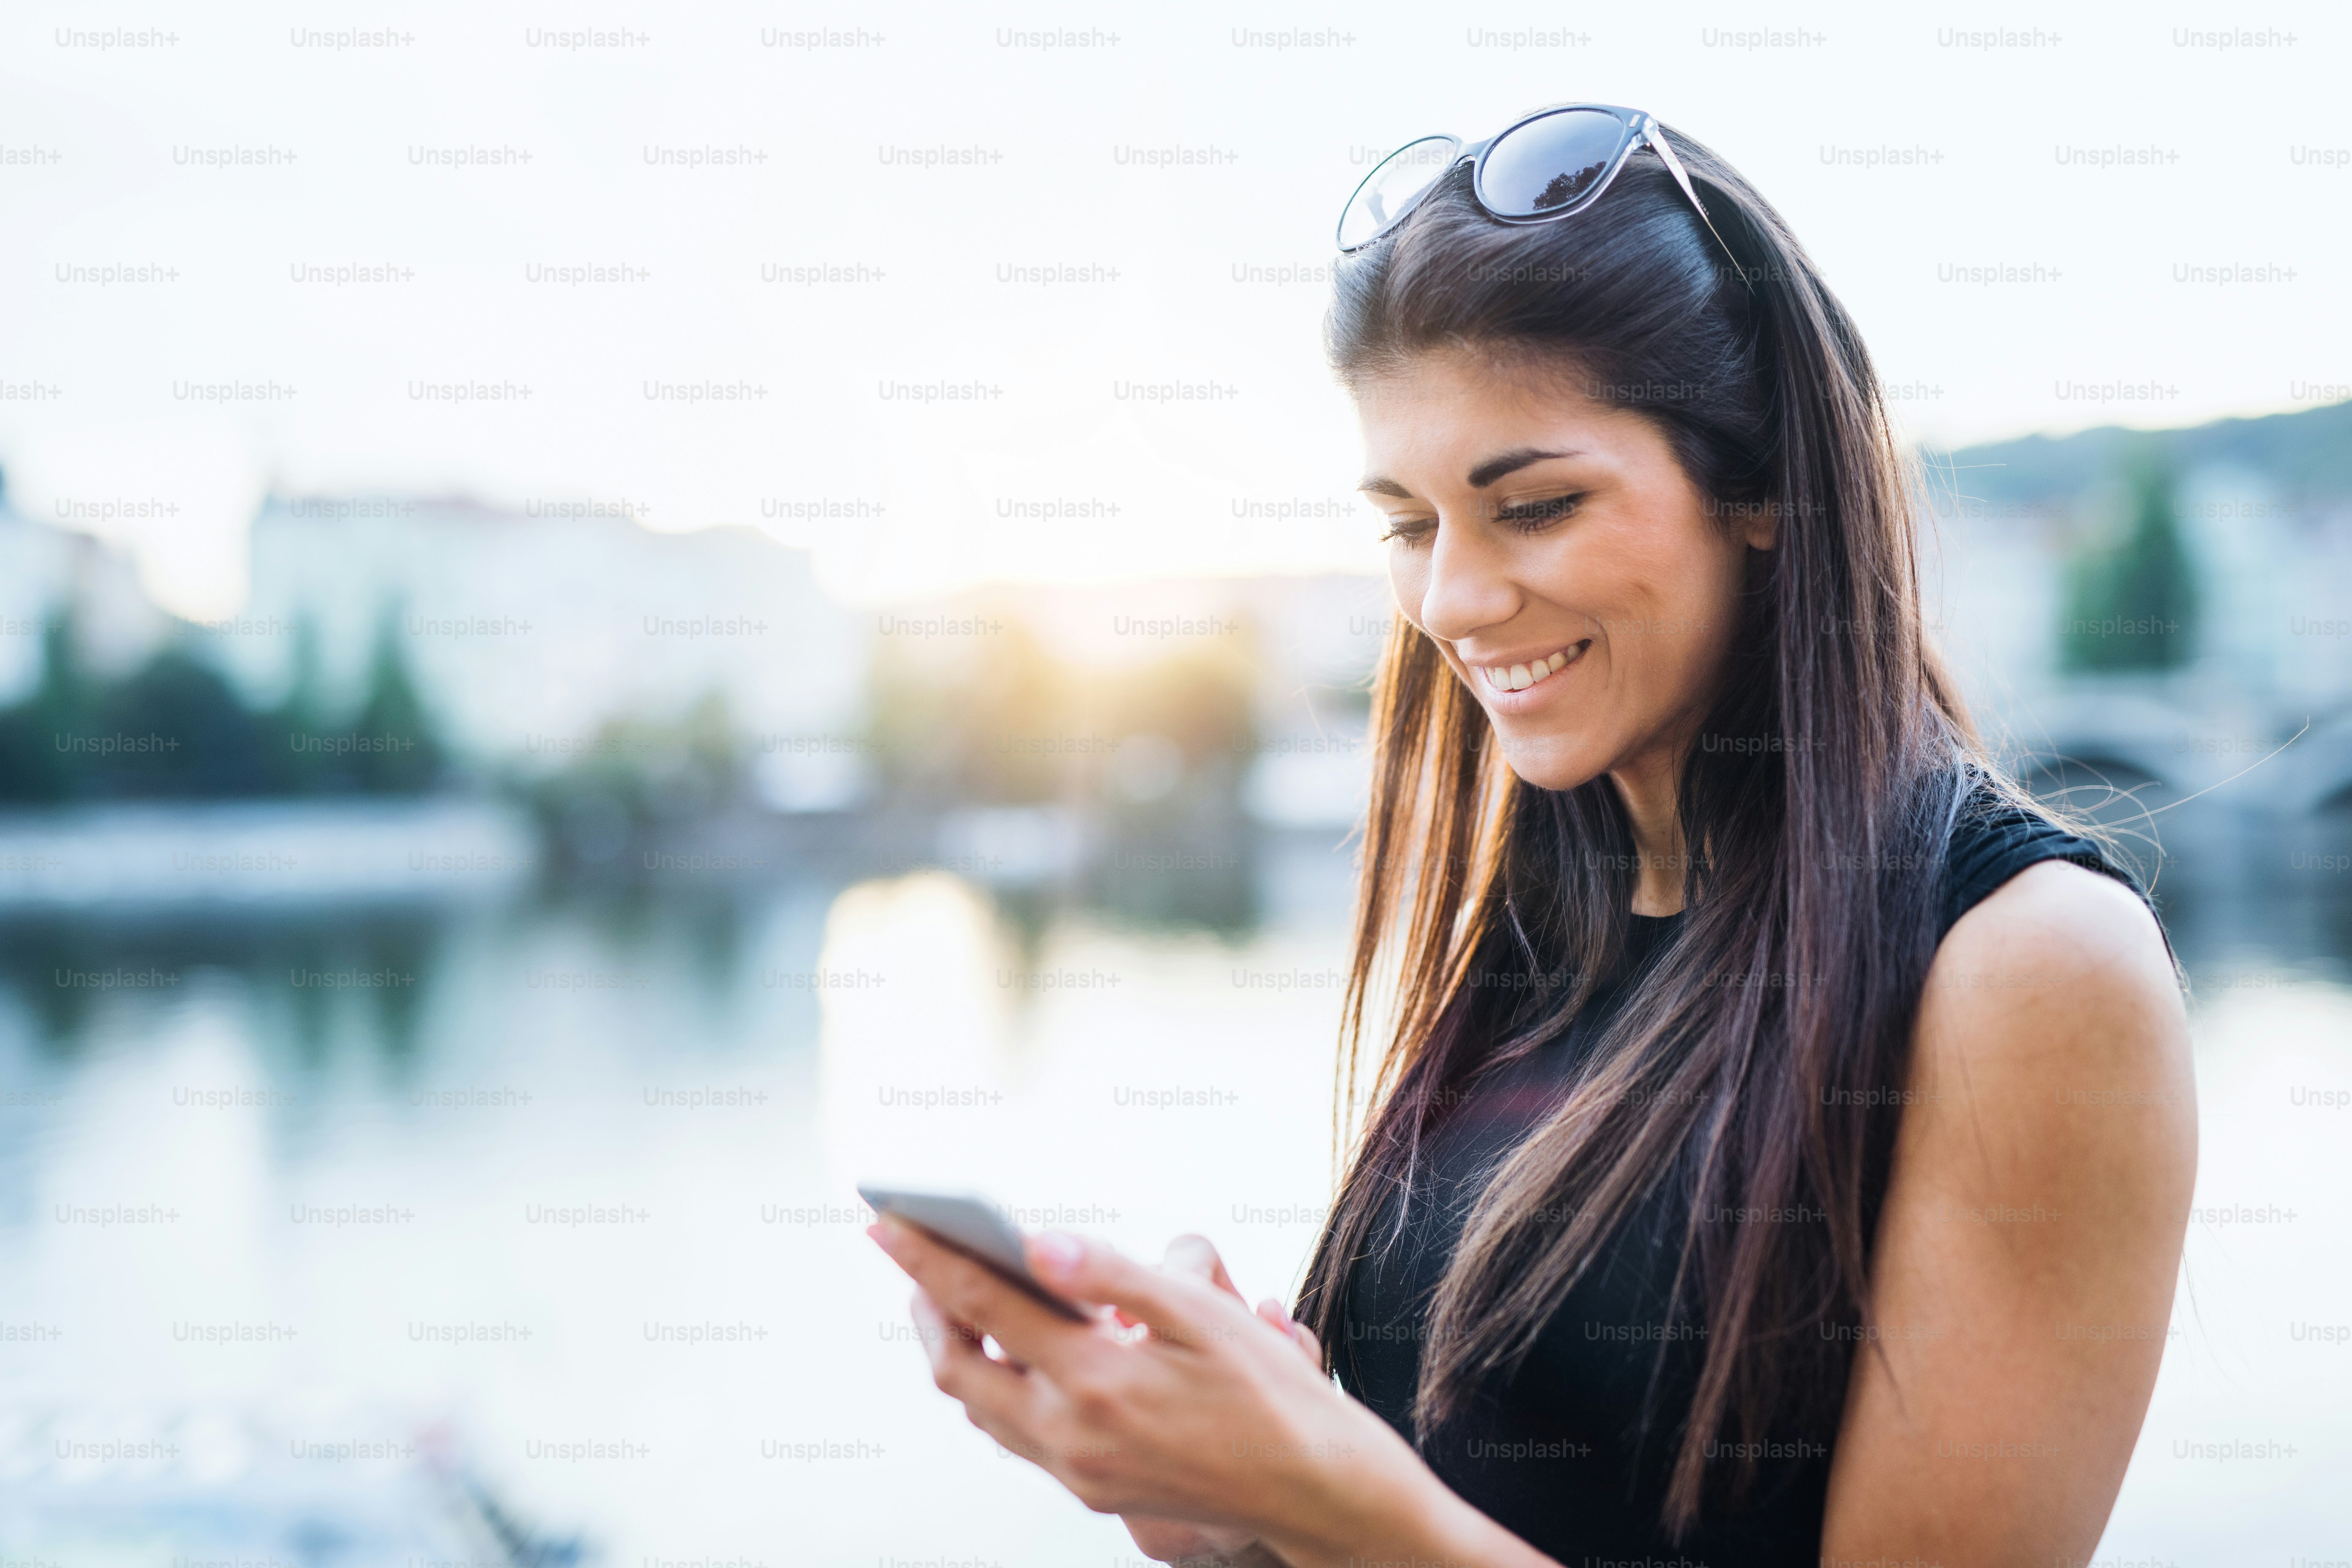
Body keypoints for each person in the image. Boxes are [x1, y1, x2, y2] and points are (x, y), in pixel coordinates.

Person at [869, 106, 2195, 1568]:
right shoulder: (1547, 919)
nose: (1449, 601)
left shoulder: (2033, 972)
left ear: (1759, 488)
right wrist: (1233, 1493)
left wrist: (1336, 1499)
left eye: (1535, 506)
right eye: (1406, 522)